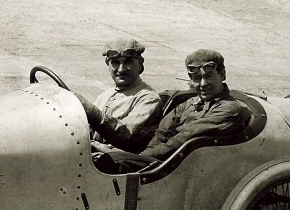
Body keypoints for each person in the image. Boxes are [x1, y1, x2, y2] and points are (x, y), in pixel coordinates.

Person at [97, 49, 251, 172]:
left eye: (208, 76)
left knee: (111, 163)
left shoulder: (228, 110)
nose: (202, 84)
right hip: (166, 163)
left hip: (185, 168)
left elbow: (184, 139)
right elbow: (161, 133)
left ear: (222, 75)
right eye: (196, 78)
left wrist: (138, 159)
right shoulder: (188, 104)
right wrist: (142, 160)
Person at [75, 39, 162, 154]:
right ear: (108, 64)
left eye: (128, 62)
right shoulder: (105, 95)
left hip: (118, 165)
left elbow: (125, 134)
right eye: (115, 62)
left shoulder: (149, 98)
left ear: (140, 64)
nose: (121, 69)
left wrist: (89, 110)